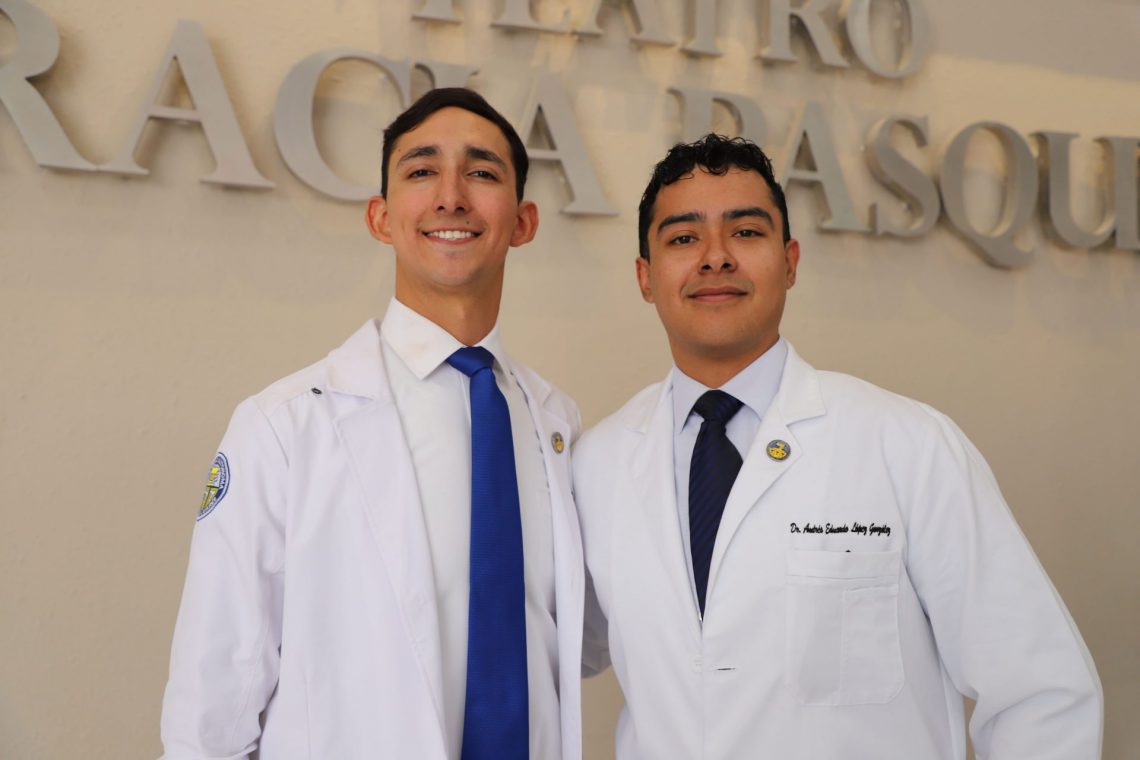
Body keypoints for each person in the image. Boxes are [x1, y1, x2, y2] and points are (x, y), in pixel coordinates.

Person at [573, 134, 1102, 759]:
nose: (715, 258)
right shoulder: (597, 463)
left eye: (746, 232)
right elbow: (548, 651)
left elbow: (1040, 692)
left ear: (790, 261)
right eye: (684, 238)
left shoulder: (907, 444)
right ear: (645, 277)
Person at [160, 88, 585, 760]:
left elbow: (579, 644)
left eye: (481, 172)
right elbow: (212, 704)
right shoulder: (283, 426)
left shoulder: (557, 425)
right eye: (422, 171)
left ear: (523, 221)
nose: (451, 197)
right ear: (381, 218)